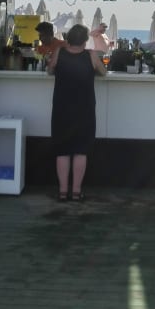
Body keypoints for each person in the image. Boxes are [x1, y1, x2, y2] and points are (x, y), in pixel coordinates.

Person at [47, 24, 107, 202]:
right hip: (84, 108)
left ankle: (62, 192)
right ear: (85, 41)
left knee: (62, 150)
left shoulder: (59, 52)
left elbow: (50, 70)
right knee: (81, 150)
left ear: (68, 39)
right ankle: (76, 192)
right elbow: (103, 72)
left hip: (62, 108)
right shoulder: (91, 55)